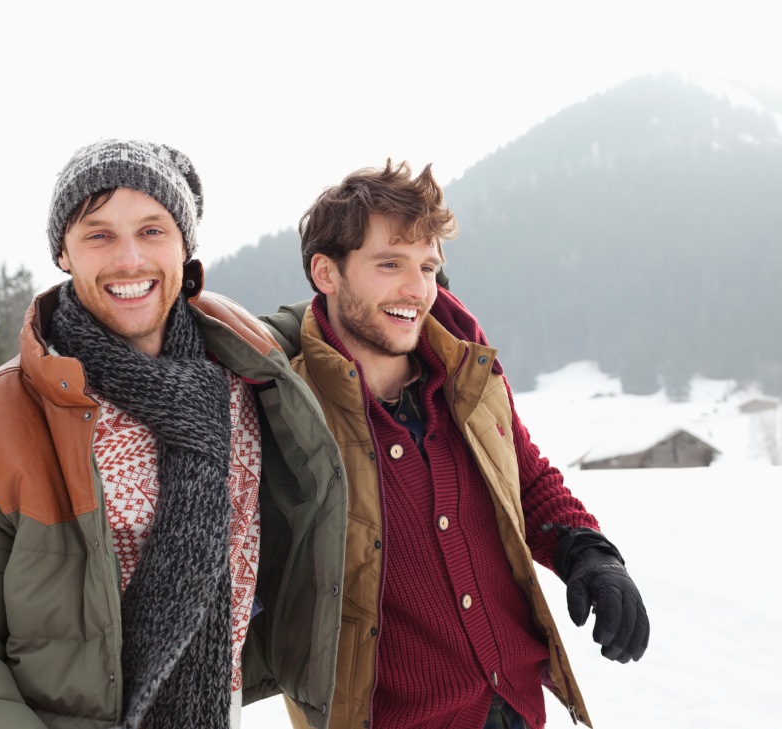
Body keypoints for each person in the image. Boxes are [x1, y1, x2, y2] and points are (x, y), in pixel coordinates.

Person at [0, 139, 348, 729]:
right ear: (64, 254)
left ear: (185, 248)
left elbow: (370, 304)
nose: (129, 260)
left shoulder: (248, 376)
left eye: (152, 230)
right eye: (98, 234)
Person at [263, 160, 650, 729]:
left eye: (427, 266)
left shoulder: (466, 372)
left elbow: (523, 473)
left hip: (517, 706)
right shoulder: (286, 411)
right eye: (389, 264)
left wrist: (587, 552)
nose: (415, 290)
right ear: (327, 272)